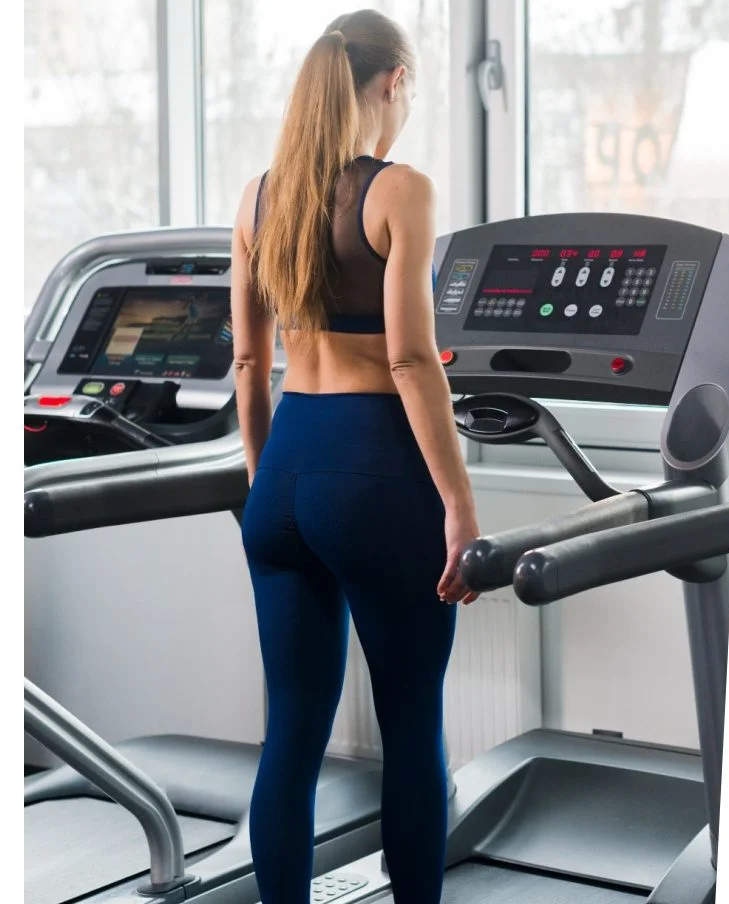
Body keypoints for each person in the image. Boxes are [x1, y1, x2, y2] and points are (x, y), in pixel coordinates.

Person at [229, 10, 478, 904]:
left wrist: (270, 486)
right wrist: (459, 503)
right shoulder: (399, 190)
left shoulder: (259, 196)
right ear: (393, 83)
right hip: (375, 468)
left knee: (289, 732)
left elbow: (250, 364)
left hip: (288, 466)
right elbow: (413, 362)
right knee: (412, 725)